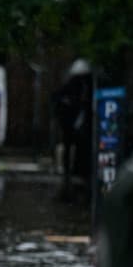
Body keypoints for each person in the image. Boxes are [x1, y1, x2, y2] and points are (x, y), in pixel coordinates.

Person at [53, 59, 93, 201]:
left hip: (74, 122)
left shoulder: (80, 85)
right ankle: (72, 171)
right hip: (71, 123)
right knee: (72, 146)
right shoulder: (75, 86)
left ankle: (75, 171)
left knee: (75, 146)